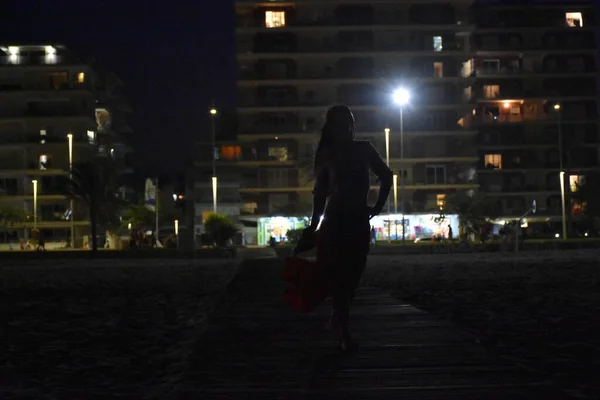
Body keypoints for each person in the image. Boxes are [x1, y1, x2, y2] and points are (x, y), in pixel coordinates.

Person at [296, 105, 393, 352]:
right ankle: (344, 332)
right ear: (334, 127)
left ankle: (338, 321)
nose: (346, 127)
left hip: (357, 220)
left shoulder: (363, 149)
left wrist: (378, 207)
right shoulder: (330, 153)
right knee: (340, 277)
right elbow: (320, 194)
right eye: (341, 123)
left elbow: (387, 175)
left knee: (353, 277)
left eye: (348, 122)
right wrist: (313, 227)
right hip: (336, 222)